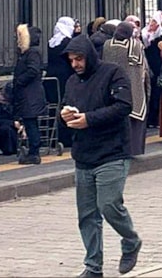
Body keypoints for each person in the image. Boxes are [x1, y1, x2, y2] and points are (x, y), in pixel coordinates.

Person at [59, 35, 142, 277]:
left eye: (79, 59)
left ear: (89, 56)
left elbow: (124, 106)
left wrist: (89, 119)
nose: (75, 64)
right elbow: (65, 106)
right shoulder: (72, 82)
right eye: (71, 60)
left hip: (112, 152)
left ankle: (130, 240)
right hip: (83, 154)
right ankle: (93, 266)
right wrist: (65, 116)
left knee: (108, 205)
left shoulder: (113, 73)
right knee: (87, 215)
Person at [103, 22, 150, 156]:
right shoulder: (135, 45)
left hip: (111, 84)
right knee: (134, 117)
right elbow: (142, 66)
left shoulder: (107, 45)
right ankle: (133, 149)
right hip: (132, 85)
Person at [12, 25, 47, 165]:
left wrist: (19, 81)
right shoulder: (28, 53)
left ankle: (34, 152)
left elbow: (33, 70)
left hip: (29, 94)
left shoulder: (32, 53)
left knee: (31, 122)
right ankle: (33, 150)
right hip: (28, 93)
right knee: (30, 122)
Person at [46, 17, 78, 148]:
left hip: (51, 78)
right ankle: (66, 137)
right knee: (66, 107)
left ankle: (52, 137)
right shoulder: (67, 42)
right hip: (65, 78)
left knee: (53, 108)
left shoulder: (52, 42)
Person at [142, 11, 162, 129]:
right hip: (158, 69)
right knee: (157, 94)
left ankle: (151, 118)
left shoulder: (145, 35)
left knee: (152, 93)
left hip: (150, 68)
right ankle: (156, 119)